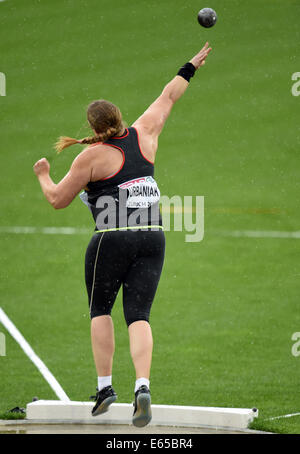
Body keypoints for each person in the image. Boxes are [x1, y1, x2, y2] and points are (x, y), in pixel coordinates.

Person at [33, 42, 212, 427]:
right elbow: (168, 96)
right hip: (153, 237)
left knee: (101, 309)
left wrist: (43, 175)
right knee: (139, 315)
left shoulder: (90, 158)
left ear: (94, 129)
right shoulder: (145, 132)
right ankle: (143, 387)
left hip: (112, 238)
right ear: (120, 119)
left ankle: (104, 389)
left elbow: (58, 200)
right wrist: (190, 66)